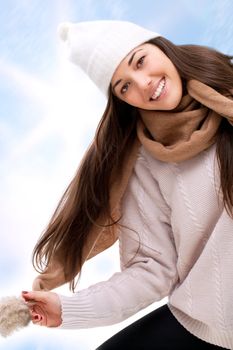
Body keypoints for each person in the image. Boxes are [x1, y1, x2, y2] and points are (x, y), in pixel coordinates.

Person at [22, 20, 233, 349]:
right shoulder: (144, 164)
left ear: (160, 46)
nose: (144, 84)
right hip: (211, 327)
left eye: (140, 61)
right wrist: (68, 310)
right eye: (124, 87)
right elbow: (151, 269)